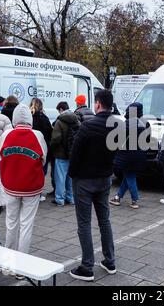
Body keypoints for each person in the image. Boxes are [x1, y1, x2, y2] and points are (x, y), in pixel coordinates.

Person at [68, 90, 117, 282]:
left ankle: (87, 266)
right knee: (104, 221)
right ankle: (110, 260)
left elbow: (75, 154)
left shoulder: (87, 127)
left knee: (84, 223)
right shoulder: (117, 126)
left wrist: (73, 175)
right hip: (104, 178)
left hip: (85, 180)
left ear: (97, 104)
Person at [0, 104, 47, 261]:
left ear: (14, 119)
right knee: (26, 224)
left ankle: (8, 261)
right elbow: (43, 159)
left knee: (11, 222)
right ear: (30, 119)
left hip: (10, 185)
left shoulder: (6, 134)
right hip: (31, 186)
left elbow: (1, 158)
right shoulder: (37, 135)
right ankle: (21, 263)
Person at [110, 102, 150, 209]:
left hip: (127, 155)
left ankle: (134, 200)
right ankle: (118, 197)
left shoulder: (127, 123)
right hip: (140, 155)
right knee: (128, 175)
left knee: (130, 176)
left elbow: (117, 139)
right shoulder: (146, 123)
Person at [50, 102, 79, 207]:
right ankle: (71, 198)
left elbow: (55, 139)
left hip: (61, 154)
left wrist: (53, 148)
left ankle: (59, 199)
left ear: (61, 110)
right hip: (72, 154)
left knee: (60, 178)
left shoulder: (59, 122)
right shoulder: (76, 120)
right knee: (70, 178)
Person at [30, 98, 53, 202]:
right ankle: (38, 194)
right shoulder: (43, 117)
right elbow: (49, 132)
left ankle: (29, 191)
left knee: (30, 170)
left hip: (29, 147)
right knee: (41, 172)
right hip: (42, 148)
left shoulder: (28, 116)